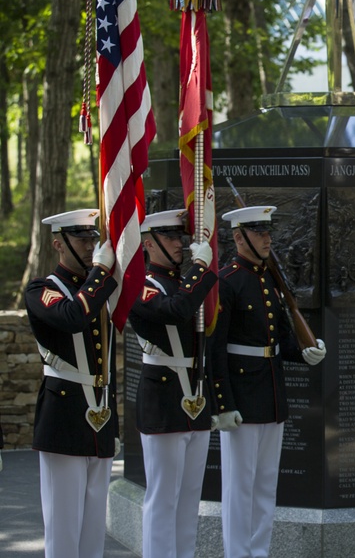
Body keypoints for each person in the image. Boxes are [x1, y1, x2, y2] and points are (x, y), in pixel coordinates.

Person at [211, 205, 328, 558]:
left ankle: (258, 551)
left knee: (265, 486)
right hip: (242, 399)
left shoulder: (268, 279)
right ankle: (237, 553)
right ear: (238, 236)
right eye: (259, 232)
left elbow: (276, 339)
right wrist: (223, 404)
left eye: (268, 231)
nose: (267, 238)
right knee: (239, 487)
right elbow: (214, 351)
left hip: (271, 394)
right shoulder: (227, 281)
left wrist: (305, 351)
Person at [24, 208, 119, 558]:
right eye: (81, 239)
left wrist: (115, 423)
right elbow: (72, 318)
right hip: (63, 416)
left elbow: (106, 363)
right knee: (64, 530)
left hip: (99, 416)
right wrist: (100, 273)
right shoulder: (41, 289)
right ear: (58, 245)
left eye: (93, 238)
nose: (91, 245)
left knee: (93, 528)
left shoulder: (96, 292)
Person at [128, 209, 217, 558]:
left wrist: (197, 271)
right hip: (163, 397)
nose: (179, 243)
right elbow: (176, 310)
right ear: (148, 244)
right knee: (163, 498)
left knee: (189, 498)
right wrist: (200, 268)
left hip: (195, 393)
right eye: (169, 238)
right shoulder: (141, 285)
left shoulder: (182, 282)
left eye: (179, 236)